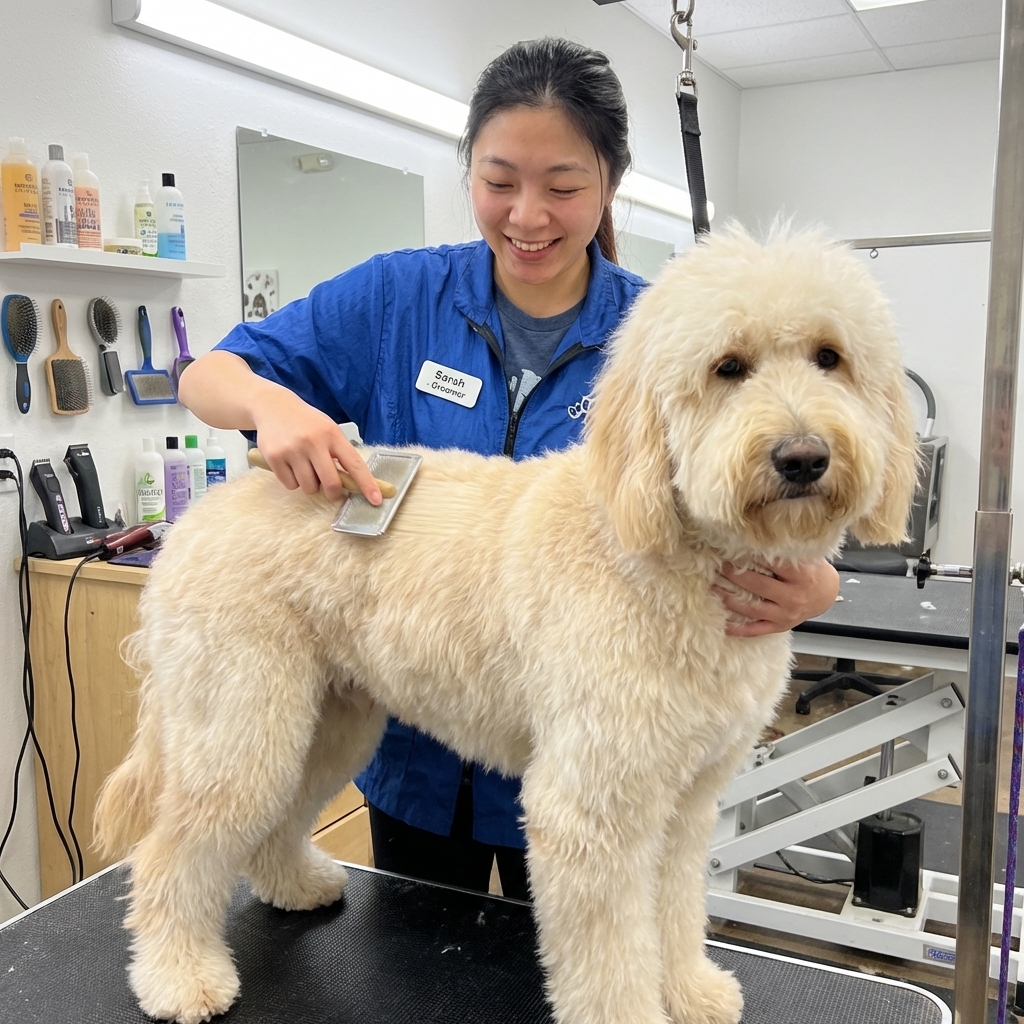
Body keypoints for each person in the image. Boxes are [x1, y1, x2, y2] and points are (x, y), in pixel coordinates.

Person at [179, 38, 840, 903]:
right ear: (470, 177)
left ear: (609, 184)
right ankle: (260, 863)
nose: (528, 215)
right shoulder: (397, 297)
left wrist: (816, 583)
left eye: (563, 187)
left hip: (600, 723)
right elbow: (208, 374)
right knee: (411, 966)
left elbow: (755, 488)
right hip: (418, 740)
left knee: (577, 938)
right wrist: (272, 406)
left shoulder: (672, 331)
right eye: (499, 182)